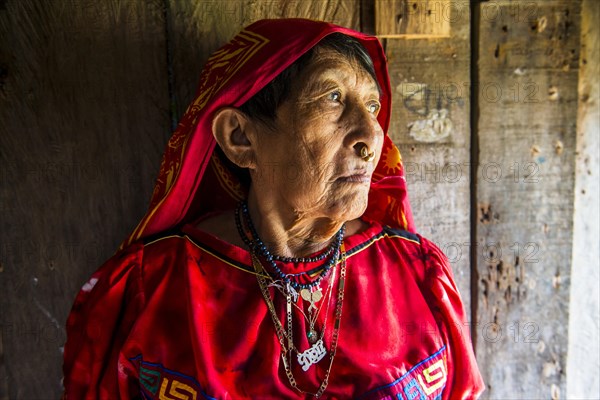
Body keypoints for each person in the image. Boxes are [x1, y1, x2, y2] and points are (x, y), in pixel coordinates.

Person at [62, 18, 484, 399]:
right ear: (240, 138)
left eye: (372, 106)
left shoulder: (416, 272)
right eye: (333, 97)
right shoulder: (149, 288)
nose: (371, 137)